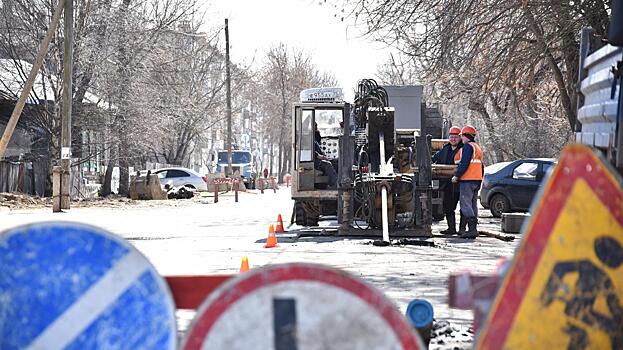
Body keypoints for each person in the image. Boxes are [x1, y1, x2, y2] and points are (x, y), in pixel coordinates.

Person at [451, 125, 484, 239]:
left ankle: (472, 230)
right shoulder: (477, 147)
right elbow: (481, 166)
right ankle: (472, 229)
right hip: (477, 180)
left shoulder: (467, 147)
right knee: (473, 204)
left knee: (465, 204)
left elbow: (464, 163)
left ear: (466, 136)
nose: (461, 139)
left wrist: (457, 175)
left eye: (462, 136)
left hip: (467, 180)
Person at [432, 126, 463, 235]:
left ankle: (462, 229)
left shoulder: (463, 149)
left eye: (455, 137)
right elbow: (434, 158)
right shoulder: (445, 149)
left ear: (460, 138)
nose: (453, 139)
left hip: (461, 182)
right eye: (451, 137)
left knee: (464, 206)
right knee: (448, 205)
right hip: (447, 183)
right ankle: (452, 228)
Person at [314, 123, 337, 188]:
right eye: (314, 126)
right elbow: (308, 150)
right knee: (328, 164)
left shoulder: (315, 138)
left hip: (319, 158)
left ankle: (335, 181)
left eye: (316, 126)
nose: (316, 128)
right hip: (314, 161)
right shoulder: (307, 138)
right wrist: (318, 156)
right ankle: (334, 185)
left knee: (336, 162)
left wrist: (323, 156)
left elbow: (318, 141)